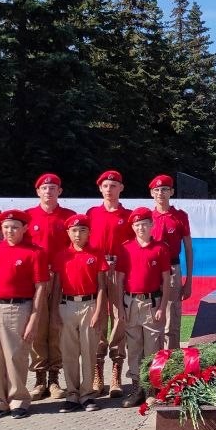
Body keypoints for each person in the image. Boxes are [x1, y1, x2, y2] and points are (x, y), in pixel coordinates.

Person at [0, 210, 48, 419]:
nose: (9, 231)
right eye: (6, 227)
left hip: (18, 308)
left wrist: (34, 318)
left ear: (24, 228)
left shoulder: (34, 253)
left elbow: (40, 287)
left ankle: (18, 399)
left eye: (14, 227)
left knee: (15, 356)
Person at [114, 207, 177, 407]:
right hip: (131, 302)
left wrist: (162, 306)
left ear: (152, 225)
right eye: (137, 225)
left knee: (152, 347)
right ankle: (137, 388)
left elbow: (166, 280)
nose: (140, 228)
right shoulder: (125, 248)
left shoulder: (161, 248)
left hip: (152, 303)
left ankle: (151, 388)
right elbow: (119, 280)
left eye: (144, 224)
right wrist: (120, 307)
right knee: (134, 347)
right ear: (132, 227)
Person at [24, 173, 73, 400]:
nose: (49, 191)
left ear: (59, 192)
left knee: (57, 326)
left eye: (53, 188)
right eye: (44, 188)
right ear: (38, 192)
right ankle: (39, 379)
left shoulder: (69, 217)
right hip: (36, 280)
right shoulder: (27, 217)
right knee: (37, 328)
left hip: (61, 278)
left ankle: (54, 379)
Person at [51, 214, 107, 412]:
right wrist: (54, 312)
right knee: (69, 353)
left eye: (82, 230)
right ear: (68, 233)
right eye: (74, 230)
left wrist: (99, 311)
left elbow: (102, 286)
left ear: (89, 233)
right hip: (66, 306)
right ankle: (72, 394)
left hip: (89, 305)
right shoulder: (62, 255)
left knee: (89, 351)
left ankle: (87, 394)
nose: (78, 234)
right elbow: (57, 286)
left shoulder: (96, 254)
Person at [86, 169, 132, 397]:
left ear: (121, 188)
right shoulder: (92, 213)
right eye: (105, 185)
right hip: (96, 271)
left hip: (118, 272)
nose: (109, 189)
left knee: (119, 318)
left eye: (114, 185)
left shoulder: (129, 215)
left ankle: (116, 371)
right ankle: (97, 372)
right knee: (97, 319)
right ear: (100, 188)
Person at [150, 175, 194, 349]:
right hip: (151, 271)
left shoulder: (180, 216)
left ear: (171, 192)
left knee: (172, 318)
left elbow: (189, 249)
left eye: (165, 189)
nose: (161, 193)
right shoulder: (146, 218)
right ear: (152, 193)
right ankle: (153, 362)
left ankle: (171, 361)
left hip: (172, 269)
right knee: (152, 317)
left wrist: (188, 280)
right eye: (157, 190)